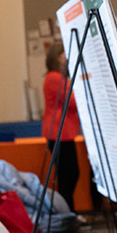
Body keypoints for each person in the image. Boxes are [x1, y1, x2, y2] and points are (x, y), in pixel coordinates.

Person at [40, 42, 81, 210]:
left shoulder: (55, 77)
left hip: (60, 132)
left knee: (68, 175)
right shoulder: (55, 78)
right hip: (59, 132)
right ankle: (67, 214)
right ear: (58, 57)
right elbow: (72, 101)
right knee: (68, 176)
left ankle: (68, 213)